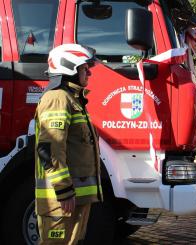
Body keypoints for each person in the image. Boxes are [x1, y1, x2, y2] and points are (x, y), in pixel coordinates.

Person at [35, 44, 102, 244]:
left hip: (74, 199)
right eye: (84, 68)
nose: (88, 73)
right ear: (69, 68)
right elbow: (49, 148)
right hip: (61, 201)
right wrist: (63, 191)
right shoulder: (57, 98)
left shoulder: (72, 99)